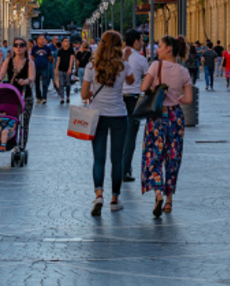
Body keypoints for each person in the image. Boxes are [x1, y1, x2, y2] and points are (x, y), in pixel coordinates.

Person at [82, 31, 134, 216]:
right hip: (119, 115)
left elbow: (83, 94)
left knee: (99, 158)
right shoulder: (124, 66)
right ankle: (115, 199)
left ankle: (98, 195)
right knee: (117, 159)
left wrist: (93, 94)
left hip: (98, 116)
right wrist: (125, 59)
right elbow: (131, 80)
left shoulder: (91, 66)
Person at [140, 35, 193, 217]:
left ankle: (157, 192)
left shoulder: (156, 66)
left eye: (160, 46)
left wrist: (152, 87)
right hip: (175, 116)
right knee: (173, 156)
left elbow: (143, 87)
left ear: (169, 48)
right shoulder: (183, 71)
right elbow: (189, 99)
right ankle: (169, 199)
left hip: (157, 115)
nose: (157, 50)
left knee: (154, 153)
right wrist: (176, 98)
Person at [0, 37, 35, 149]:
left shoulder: (29, 62)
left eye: (21, 45)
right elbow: (1, 74)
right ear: (13, 47)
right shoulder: (8, 61)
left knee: (24, 122)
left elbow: (32, 77)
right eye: (16, 45)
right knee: (9, 119)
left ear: (25, 48)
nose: (19, 47)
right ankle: (8, 140)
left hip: (25, 94)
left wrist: (26, 81)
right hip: (11, 95)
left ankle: (22, 145)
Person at [122, 30, 149, 183]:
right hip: (134, 99)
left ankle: (118, 167)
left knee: (119, 135)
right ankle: (125, 169)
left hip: (117, 100)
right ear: (136, 42)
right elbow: (148, 79)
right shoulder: (140, 59)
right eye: (141, 40)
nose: (143, 43)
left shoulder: (117, 57)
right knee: (131, 136)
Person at [32, 35, 53, 104]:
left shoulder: (47, 48)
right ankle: (38, 97)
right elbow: (32, 57)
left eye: (43, 39)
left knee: (45, 83)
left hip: (45, 67)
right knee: (37, 83)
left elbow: (50, 57)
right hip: (36, 67)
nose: (42, 40)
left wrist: (46, 62)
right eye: (40, 39)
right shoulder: (34, 48)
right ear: (38, 40)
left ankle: (44, 98)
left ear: (45, 40)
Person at [55, 38, 75, 105]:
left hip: (67, 69)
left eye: (68, 41)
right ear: (62, 43)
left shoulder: (71, 50)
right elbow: (58, 60)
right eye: (66, 41)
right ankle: (62, 98)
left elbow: (71, 60)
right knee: (61, 84)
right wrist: (56, 69)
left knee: (68, 84)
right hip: (61, 69)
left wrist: (70, 68)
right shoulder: (60, 51)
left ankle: (68, 97)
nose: (67, 42)